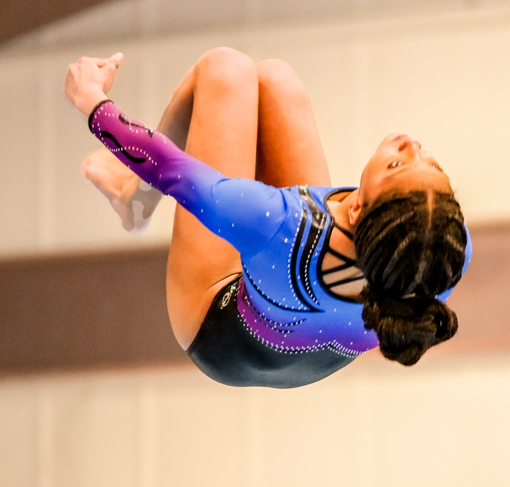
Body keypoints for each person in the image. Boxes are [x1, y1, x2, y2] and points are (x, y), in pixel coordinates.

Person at [63, 49, 471, 389]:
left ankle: (134, 200)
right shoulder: (444, 251)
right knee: (276, 80)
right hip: (314, 344)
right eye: (430, 162)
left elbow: (171, 171)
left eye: (397, 162)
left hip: (219, 332)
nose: (412, 143)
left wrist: (91, 101)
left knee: (227, 70)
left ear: (360, 210)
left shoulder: (279, 222)